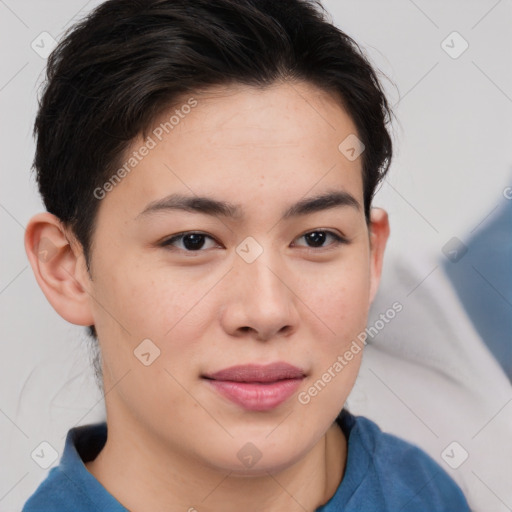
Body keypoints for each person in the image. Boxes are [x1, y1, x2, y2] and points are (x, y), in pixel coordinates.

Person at [21, 0, 471, 510]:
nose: (266, 311)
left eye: (317, 238)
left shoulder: (424, 491)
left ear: (371, 257)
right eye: (192, 241)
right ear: (67, 270)